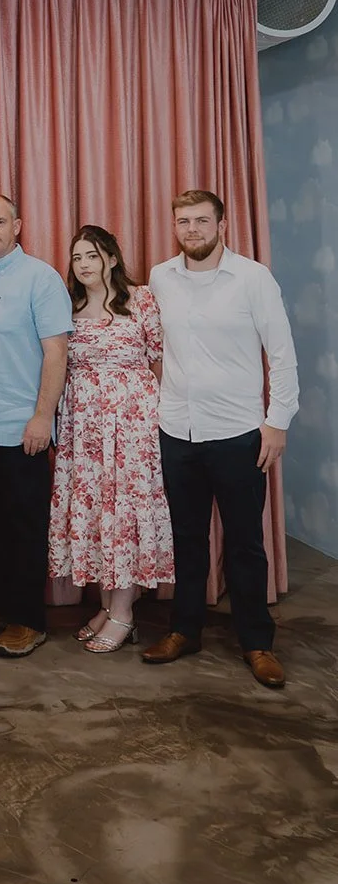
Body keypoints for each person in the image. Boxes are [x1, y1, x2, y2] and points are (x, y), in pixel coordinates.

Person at [142, 190, 298, 690]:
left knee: (245, 542)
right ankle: (184, 631)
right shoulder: (160, 278)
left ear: (221, 225)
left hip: (238, 433)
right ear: (174, 226)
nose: (192, 230)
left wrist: (277, 422)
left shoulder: (253, 278)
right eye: (183, 221)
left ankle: (257, 642)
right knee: (186, 539)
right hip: (176, 431)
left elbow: (282, 354)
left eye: (201, 221)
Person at [0, 194, 72, 657]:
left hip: (22, 427)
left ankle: (28, 621)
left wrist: (43, 416)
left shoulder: (41, 278)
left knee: (24, 527)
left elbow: (56, 353)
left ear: (17, 226)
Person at [47, 226, 174, 652]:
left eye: (93, 255)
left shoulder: (141, 300)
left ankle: (124, 613)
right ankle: (106, 605)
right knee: (97, 512)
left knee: (123, 512)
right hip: (83, 426)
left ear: (113, 259)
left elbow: (159, 362)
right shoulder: (69, 306)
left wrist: (158, 418)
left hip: (131, 425)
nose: (84, 264)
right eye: (77, 257)